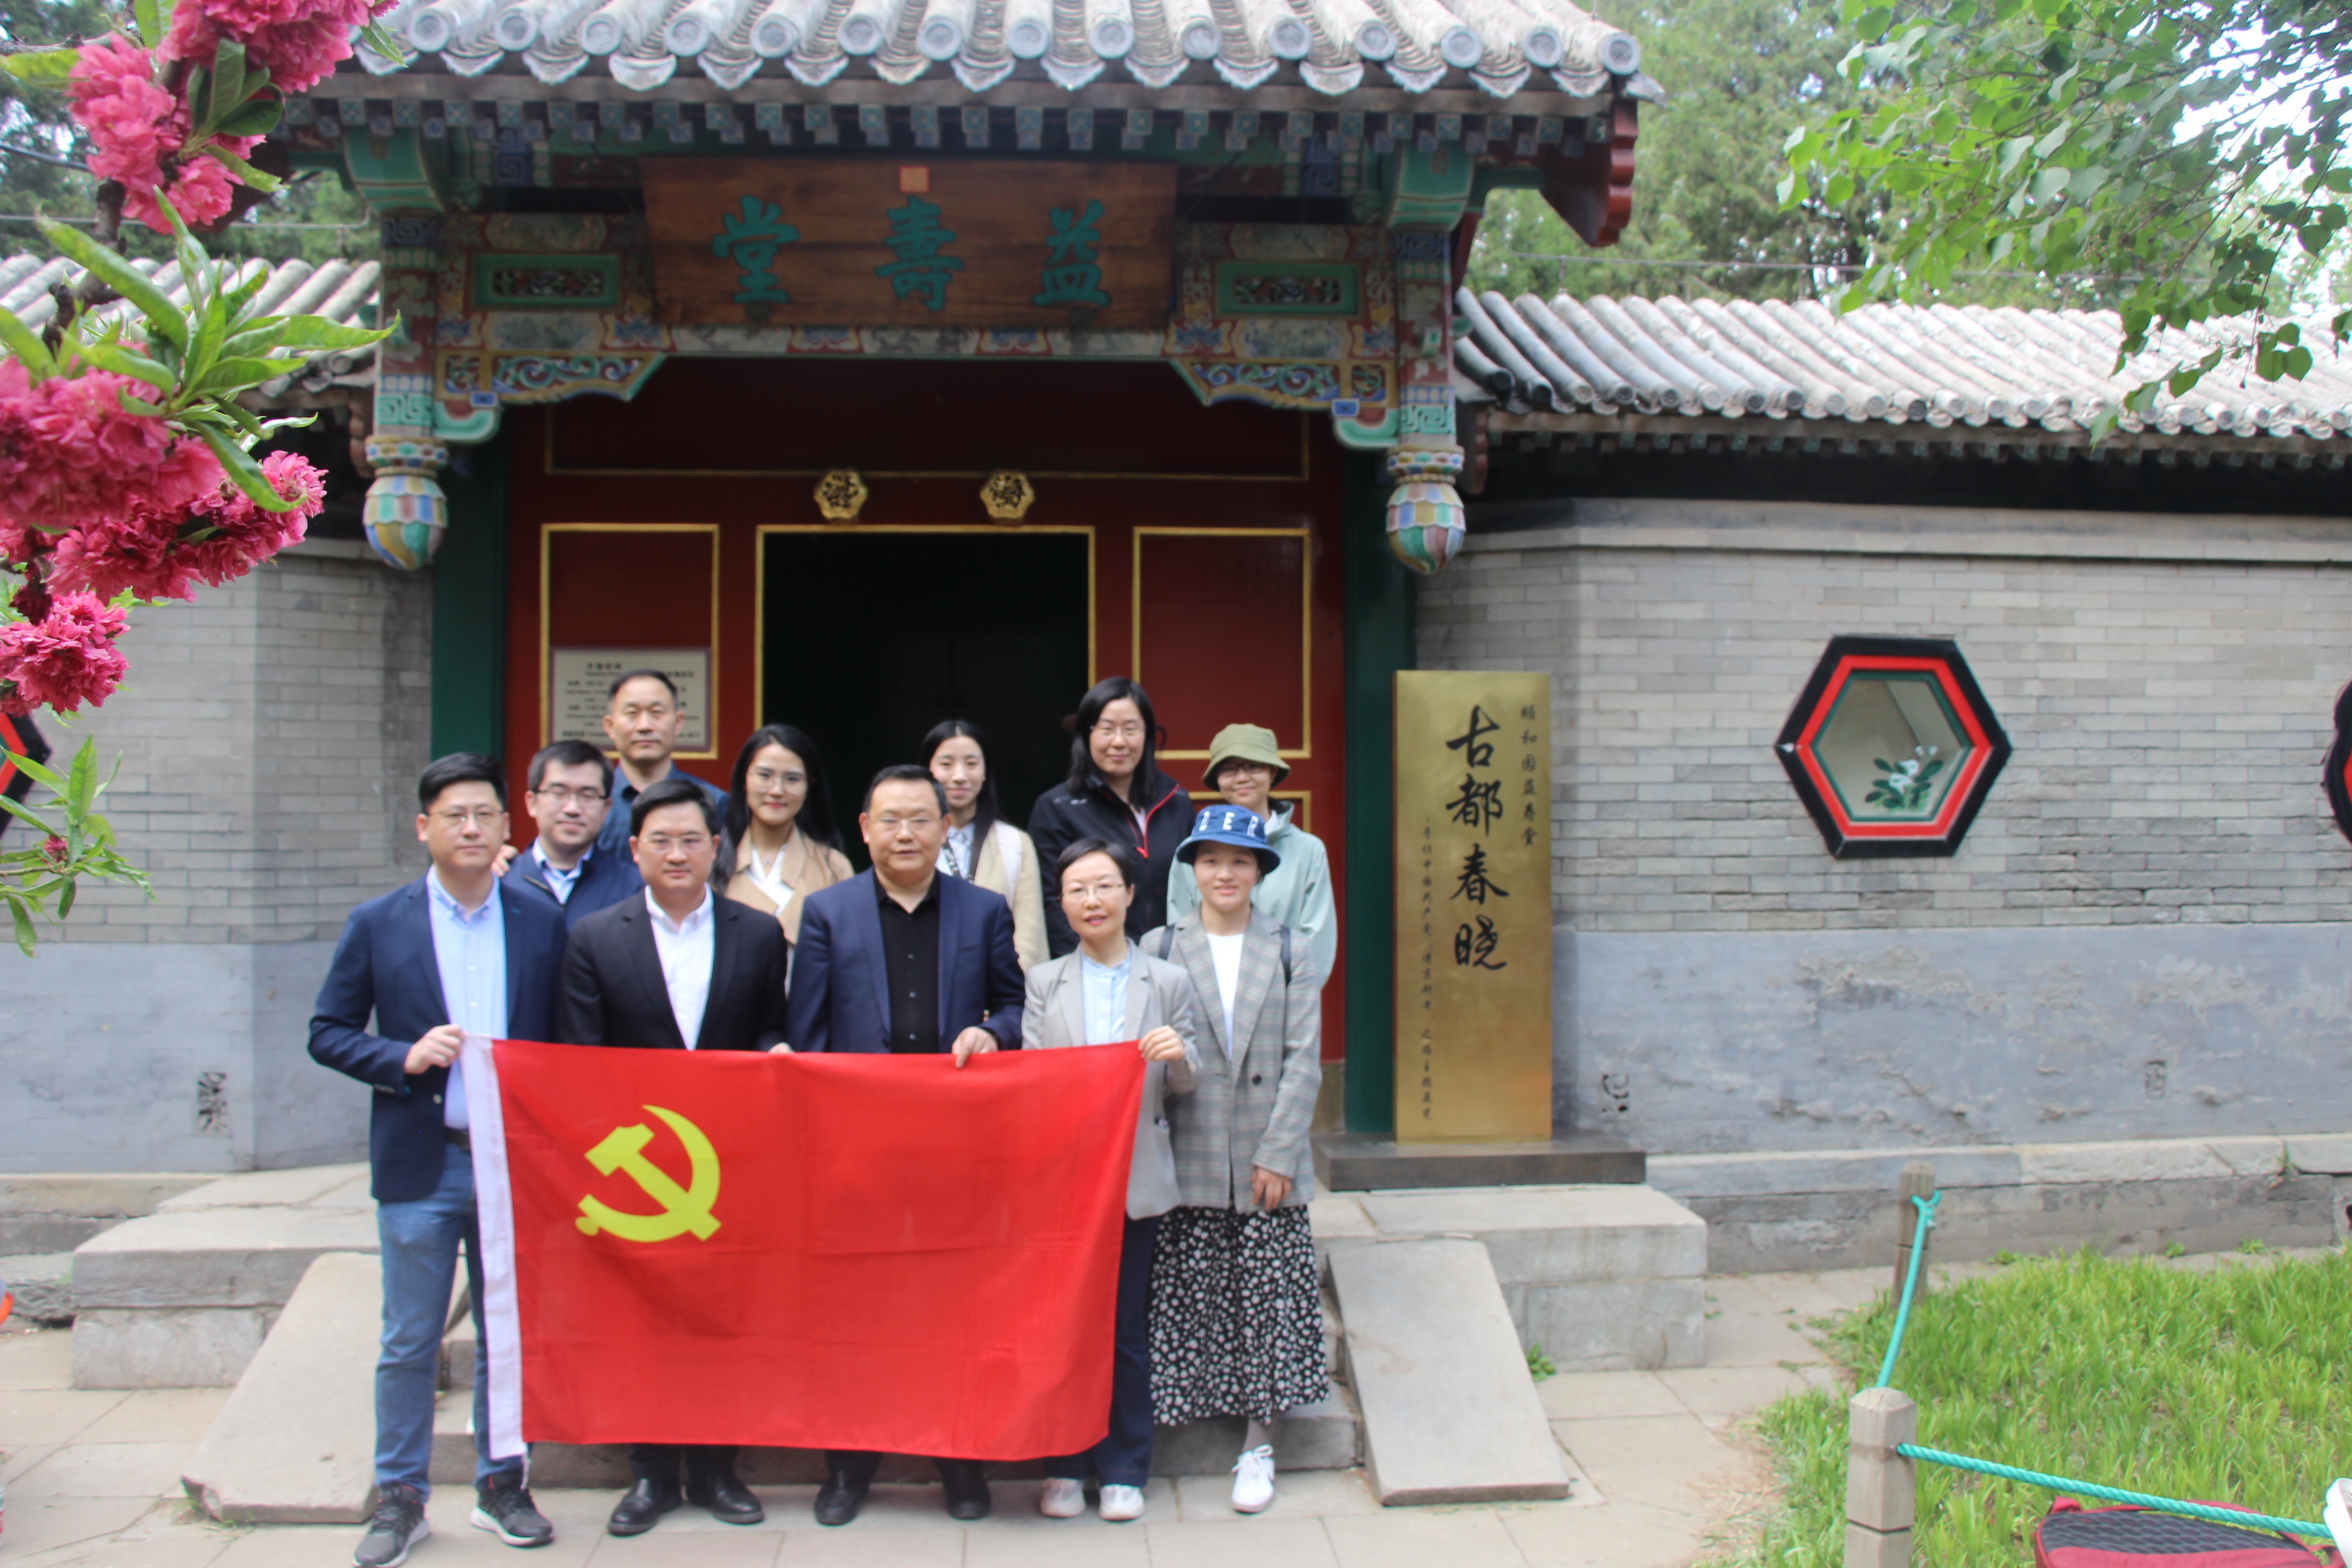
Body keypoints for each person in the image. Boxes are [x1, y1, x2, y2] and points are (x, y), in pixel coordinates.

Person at [309, 755, 569, 1568]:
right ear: (424, 827)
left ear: (507, 826)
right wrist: (401, 1056)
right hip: (422, 1159)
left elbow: (565, 1038)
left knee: (506, 1334)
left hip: (514, 1165)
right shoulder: (378, 923)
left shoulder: (538, 920)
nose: (471, 828)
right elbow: (326, 1031)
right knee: (410, 1338)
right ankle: (400, 1497)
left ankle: (503, 1483)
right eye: (454, 815)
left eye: (485, 814)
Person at [785, 764, 1026, 1526]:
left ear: (946, 828)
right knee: (857, 1312)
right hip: (858, 1155)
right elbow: (807, 1037)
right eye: (890, 820)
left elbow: (1015, 1005)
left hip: (958, 1150)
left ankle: (961, 1463)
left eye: (921, 819)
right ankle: (849, 1466)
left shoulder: (983, 911)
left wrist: (994, 1033)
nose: (906, 834)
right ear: (865, 829)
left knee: (958, 1309)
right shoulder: (828, 913)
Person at [553, 776, 792, 1537]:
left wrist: (772, 1055)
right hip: (637, 1169)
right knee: (643, 1322)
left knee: (723, 1315)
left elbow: (770, 1028)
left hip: (731, 1161)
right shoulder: (595, 935)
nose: (677, 853)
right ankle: (651, 1474)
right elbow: (579, 1057)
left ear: (717, 847)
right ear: (634, 849)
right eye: (661, 840)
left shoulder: (758, 934)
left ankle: (719, 1469)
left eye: (692, 839)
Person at [1143, 806, 1328, 1515]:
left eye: (1241, 861)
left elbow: (1303, 1058)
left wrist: (1279, 1151)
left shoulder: (1289, 949)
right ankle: (1176, 1418)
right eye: (1212, 860)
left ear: (1259, 871)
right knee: (1187, 1295)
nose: (1226, 873)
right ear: (1193, 868)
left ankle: (1259, 1444)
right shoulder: (1161, 945)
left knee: (1266, 1303)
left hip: (1263, 1154)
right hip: (1186, 1148)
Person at [1022, 838, 1200, 1524]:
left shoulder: (1168, 981)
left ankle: (1125, 1467)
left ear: (1130, 894)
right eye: (1077, 889)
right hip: (1064, 1183)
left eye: (1104, 886)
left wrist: (1177, 1055)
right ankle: (1065, 1464)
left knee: (1125, 1327)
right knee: (1064, 1326)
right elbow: (1032, 1079)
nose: (1091, 900)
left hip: (1135, 1177)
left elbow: (1187, 1084)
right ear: (1062, 903)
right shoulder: (1044, 982)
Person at [1027, 678, 1191, 958]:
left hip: (1173, 963)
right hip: (1097, 963)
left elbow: (1193, 887)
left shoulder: (1176, 800)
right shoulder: (1057, 807)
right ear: (1086, 735)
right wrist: (1083, 968)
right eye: (1106, 729)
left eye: (1130, 729)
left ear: (1147, 734)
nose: (1119, 742)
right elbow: (1053, 902)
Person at [1165, 723, 1337, 987]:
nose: (1241, 778)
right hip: (1204, 996)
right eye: (1229, 769)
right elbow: (1179, 932)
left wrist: (1284, 994)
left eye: (1253, 766)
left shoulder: (1308, 850)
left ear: (1273, 772)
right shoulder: (1192, 850)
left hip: (1281, 998)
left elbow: (1317, 941)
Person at [921, 719, 1048, 970]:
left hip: (1003, 988)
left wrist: (1008, 990)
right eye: (946, 764)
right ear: (928, 770)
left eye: (971, 764)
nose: (960, 776)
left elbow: (1029, 936)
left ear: (985, 771)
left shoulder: (1015, 843)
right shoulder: (911, 842)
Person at [719, 723, 852, 951]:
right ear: (744, 778)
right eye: (765, 776)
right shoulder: (711, 861)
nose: (777, 790)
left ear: (810, 785)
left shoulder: (833, 867)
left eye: (792, 779)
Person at [594, 670, 729, 857]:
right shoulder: (592, 801)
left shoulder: (714, 801)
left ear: (678, 723)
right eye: (632, 713)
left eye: (656, 713)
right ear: (610, 726)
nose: (644, 726)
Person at [510, 739, 644, 926]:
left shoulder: (636, 888)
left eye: (587, 796)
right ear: (532, 803)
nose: (572, 809)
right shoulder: (501, 879)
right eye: (559, 793)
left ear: (606, 809)